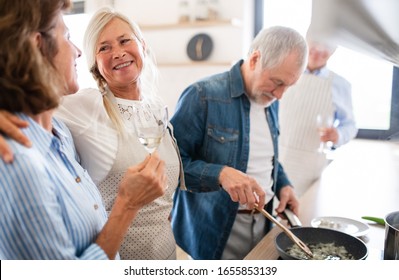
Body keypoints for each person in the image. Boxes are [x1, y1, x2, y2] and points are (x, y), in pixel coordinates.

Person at [0, 6, 186, 260]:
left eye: (124, 40)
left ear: (142, 45)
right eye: (103, 48)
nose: (76, 51)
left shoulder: (62, 137)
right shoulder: (83, 107)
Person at [170, 26, 308, 260]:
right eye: (277, 82)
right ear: (255, 59)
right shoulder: (202, 96)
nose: (280, 95)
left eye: (287, 86)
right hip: (215, 229)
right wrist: (221, 174)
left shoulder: (270, 99)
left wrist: (284, 184)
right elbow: (169, 167)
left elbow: (265, 156)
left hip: (265, 220)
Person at [278, 36, 358, 197]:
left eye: (325, 48)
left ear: (334, 51)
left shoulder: (340, 84)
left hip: (310, 166)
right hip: (276, 157)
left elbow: (350, 125)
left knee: (300, 215)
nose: (318, 52)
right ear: (305, 43)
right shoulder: (284, 73)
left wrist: (338, 134)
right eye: (314, 46)